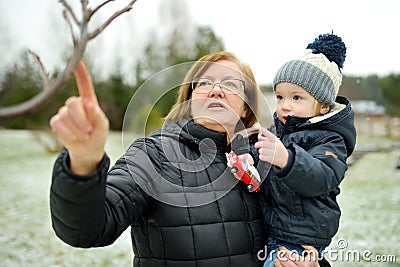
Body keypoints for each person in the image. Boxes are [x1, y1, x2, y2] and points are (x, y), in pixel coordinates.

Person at [49, 51, 322, 267]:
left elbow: (306, 233)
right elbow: (86, 230)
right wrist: (83, 164)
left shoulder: (269, 159)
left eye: (230, 84)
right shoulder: (154, 154)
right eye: (205, 82)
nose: (216, 90)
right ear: (190, 98)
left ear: (245, 105)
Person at [249, 33, 356, 267]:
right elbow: (260, 153)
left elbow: (322, 176)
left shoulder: (331, 139)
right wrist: (248, 157)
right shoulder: (278, 130)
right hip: (275, 232)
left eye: (297, 98)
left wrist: (286, 159)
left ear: (323, 105)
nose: (285, 105)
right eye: (280, 97)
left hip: (300, 239)